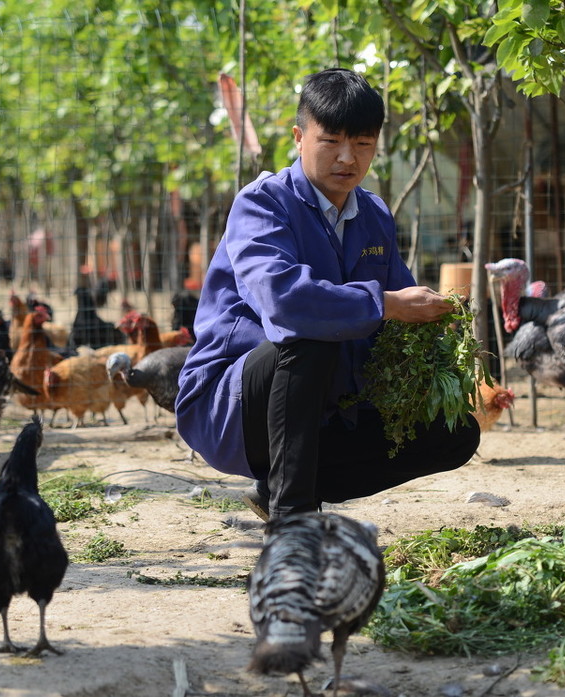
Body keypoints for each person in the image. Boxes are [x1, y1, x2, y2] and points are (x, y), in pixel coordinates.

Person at [175, 68, 480, 520]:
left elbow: (396, 314)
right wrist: (389, 304)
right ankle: (294, 517)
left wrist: (435, 318)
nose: (346, 158)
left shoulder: (373, 213)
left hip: (326, 407)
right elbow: (287, 304)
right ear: (299, 137)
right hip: (233, 407)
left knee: (455, 433)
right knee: (311, 332)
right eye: (330, 140)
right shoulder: (261, 204)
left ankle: (281, 487)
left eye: (362, 144)